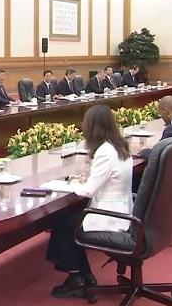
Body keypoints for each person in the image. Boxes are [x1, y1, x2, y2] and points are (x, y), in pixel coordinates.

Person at [46, 105, 133, 298]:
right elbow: (107, 180)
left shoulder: (105, 151)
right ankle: (84, 274)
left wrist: (62, 185)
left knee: (63, 223)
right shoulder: (119, 146)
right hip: (122, 209)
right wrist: (83, 180)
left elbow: (89, 191)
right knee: (70, 220)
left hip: (109, 216)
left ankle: (76, 277)